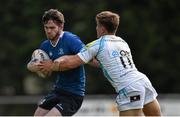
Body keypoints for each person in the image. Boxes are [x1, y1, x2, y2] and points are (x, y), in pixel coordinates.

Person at [37, 11, 162, 116]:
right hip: (143, 81)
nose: (96, 28)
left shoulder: (96, 45)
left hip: (129, 88)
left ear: (102, 28)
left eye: (97, 26)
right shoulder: (122, 42)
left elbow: (72, 63)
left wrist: (51, 65)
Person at [27, 9, 86, 116]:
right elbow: (45, 72)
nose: (48, 31)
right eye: (46, 28)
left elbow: (86, 56)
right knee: (37, 115)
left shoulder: (70, 39)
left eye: (52, 28)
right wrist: (36, 67)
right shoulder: (45, 46)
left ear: (61, 26)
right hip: (58, 91)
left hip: (73, 94)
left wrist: (59, 62)